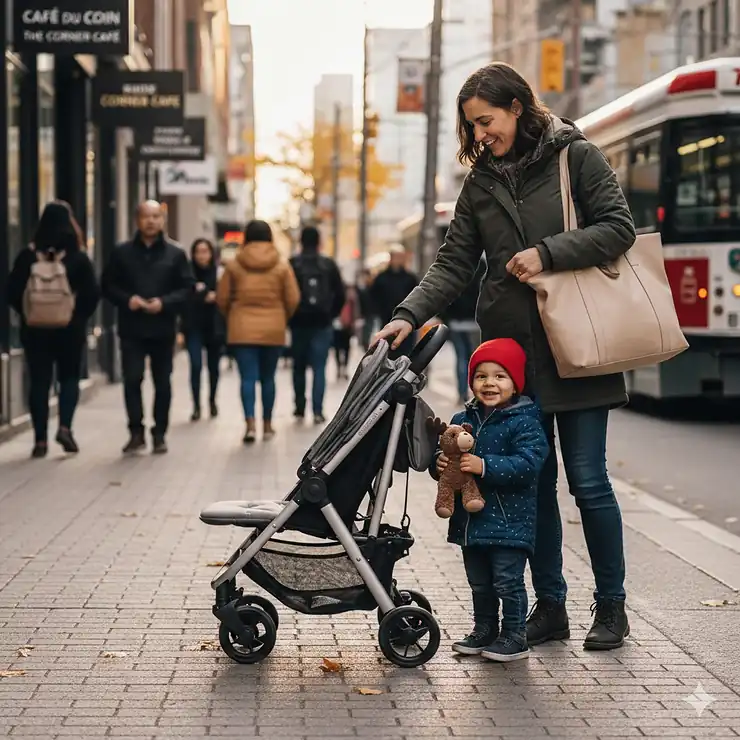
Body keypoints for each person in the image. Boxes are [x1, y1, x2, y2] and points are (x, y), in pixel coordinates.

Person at [374, 62, 637, 650]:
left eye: (486, 121)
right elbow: (454, 261)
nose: (480, 135)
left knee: (589, 482)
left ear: (518, 107)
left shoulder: (576, 157)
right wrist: (407, 314)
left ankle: (612, 608)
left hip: (581, 343)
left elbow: (619, 227)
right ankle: (551, 608)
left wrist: (547, 253)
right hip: (517, 359)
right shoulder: (481, 180)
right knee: (534, 485)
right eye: (471, 126)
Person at [434, 339, 548, 661]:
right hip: (471, 522)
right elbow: (449, 454)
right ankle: (485, 629)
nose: (489, 383)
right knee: (480, 583)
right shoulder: (463, 417)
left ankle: (515, 636)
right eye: (481, 376)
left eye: (500, 376)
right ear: (471, 381)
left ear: (515, 382)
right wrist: (438, 464)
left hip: (510, 520)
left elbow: (529, 464)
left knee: (507, 581)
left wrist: (485, 466)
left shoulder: (524, 420)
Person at [6, 201, 99, 458]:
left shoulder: (27, 256)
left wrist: (28, 314)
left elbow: (12, 292)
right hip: (69, 330)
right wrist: (76, 316)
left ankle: (39, 441)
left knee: (38, 382)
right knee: (69, 378)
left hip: (35, 331)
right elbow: (92, 294)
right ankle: (65, 426)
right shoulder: (78, 259)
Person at [101, 200, 194, 455]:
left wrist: (164, 303)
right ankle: (136, 432)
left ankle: (159, 433)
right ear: (137, 220)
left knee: (162, 383)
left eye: (156, 216)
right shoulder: (121, 252)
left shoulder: (176, 253)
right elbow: (107, 285)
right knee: (132, 379)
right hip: (132, 328)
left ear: (162, 220)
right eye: (146, 216)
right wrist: (127, 299)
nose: (151, 221)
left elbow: (187, 288)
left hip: (162, 329)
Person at [216, 219, 300, 443]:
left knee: (247, 378)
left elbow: (222, 298)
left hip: (241, 329)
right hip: (273, 328)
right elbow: (293, 298)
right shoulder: (282, 265)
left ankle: (250, 425)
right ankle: (268, 424)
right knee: (268, 378)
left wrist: (233, 316)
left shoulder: (234, 265)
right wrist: (281, 317)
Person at [289, 226, 345, 424]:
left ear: (301, 242)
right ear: (319, 242)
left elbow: (286, 295)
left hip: (298, 323)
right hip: (322, 324)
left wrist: (290, 317)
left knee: (298, 367)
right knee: (319, 368)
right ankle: (318, 410)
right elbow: (340, 294)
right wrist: (331, 314)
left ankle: (299, 406)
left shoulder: (292, 264)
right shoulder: (328, 265)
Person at [181, 238, 225, 421]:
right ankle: (196, 405)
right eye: (198, 251)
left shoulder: (220, 272)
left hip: (214, 327)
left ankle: (212, 400)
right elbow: (184, 297)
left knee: (214, 368)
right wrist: (204, 295)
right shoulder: (187, 273)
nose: (201, 255)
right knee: (196, 365)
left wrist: (209, 294)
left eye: (205, 251)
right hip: (193, 327)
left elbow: (224, 297)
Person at [441, 257, 486, 405]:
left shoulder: (458, 264)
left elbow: (447, 292)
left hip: (456, 321)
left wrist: (446, 317)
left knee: (461, 359)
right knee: (477, 360)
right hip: (475, 322)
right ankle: (478, 395)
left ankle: (461, 395)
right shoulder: (483, 266)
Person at [369, 244, 419, 358]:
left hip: (407, 320)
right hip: (386, 320)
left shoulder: (410, 278)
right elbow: (373, 297)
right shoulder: (381, 278)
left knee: (406, 353)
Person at [333, 282, 357, 380]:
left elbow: (355, 311)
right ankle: (341, 368)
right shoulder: (350, 299)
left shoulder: (351, 300)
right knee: (342, 348)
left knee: (342, 348)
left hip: (345, 326)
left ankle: (342, 368)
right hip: (342, 326)